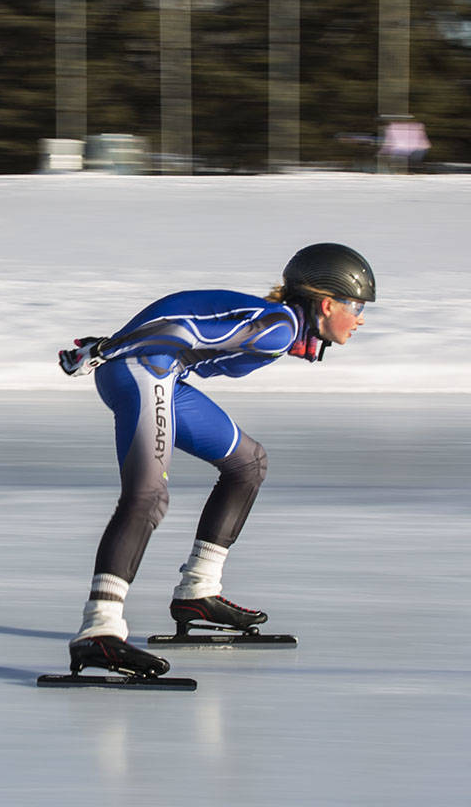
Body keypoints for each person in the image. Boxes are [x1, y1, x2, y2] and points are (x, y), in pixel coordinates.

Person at [57, 243, 376, 677]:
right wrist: (106, 349)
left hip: (163, 373)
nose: (360, 318)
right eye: (356, 306)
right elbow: (179, 328)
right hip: (142, 368)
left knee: (249, 462)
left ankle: (198, 591)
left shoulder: (279, 326)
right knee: (148, 497)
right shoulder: (278, 327)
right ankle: (99, 629)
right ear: (326, 303)